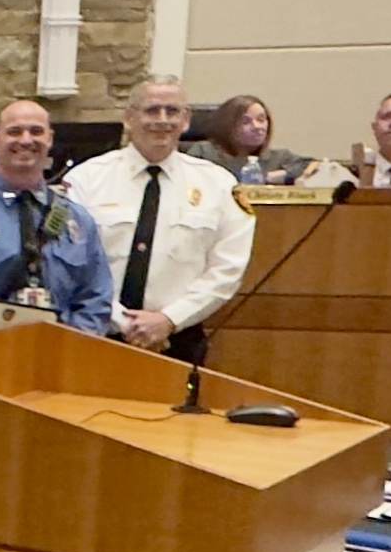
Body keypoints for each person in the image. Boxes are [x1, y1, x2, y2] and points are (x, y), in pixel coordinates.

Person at [61, 77, 255, 366]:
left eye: (172, 111)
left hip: (177, 338)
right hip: (97, 331)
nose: (162, 120)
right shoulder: (87, 180)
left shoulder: (219, 185)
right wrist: (123, 321)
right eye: (151, 110)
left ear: (186, 120)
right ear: (129, 118)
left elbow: (227, 268)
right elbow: (71, 262)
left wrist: (168, 320)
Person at [0, 98, 117, 335]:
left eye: (36, 131)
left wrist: (70, 348)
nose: (26, 140)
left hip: (60, 351)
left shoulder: (78, 221)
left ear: (50, 138)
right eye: (14, 132)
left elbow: (96, 299)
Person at [184, 92, 306, 185]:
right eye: (246, 121)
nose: (257, 127)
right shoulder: (204, 152)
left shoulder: (278, 157)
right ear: (227, 125)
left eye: (261, 120)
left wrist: (279, 176)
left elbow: (313, 167)